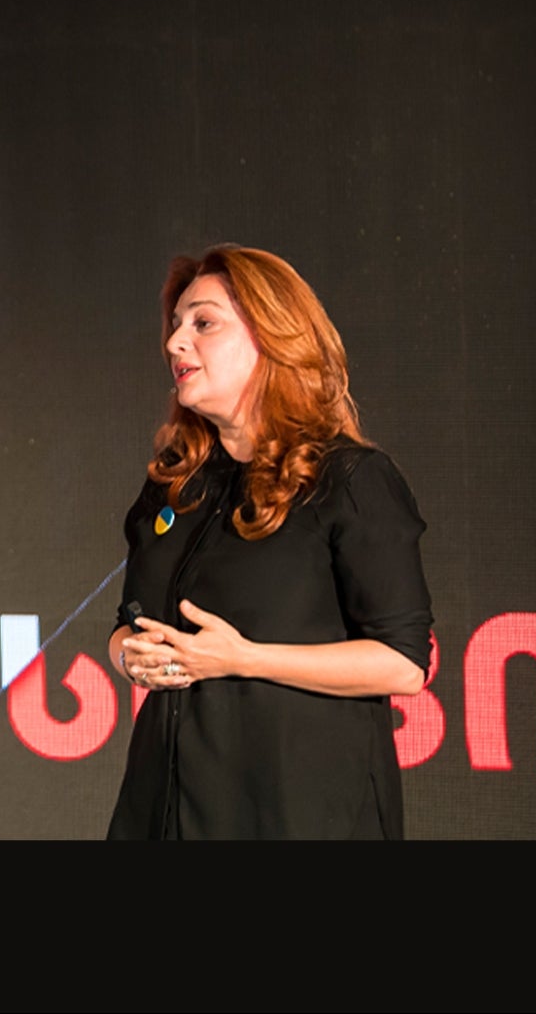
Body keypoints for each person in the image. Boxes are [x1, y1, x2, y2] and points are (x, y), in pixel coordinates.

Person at [106, 244, 434, 839]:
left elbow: (404, 663)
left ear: (273, 338)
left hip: (297, 814)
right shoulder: (176, 482)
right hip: (164, 812)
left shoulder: (349, 480)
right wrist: (129, 655)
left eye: (203, 324)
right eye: (176, 326)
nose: (176, 343)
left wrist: (243, 658)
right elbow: (128, 627)